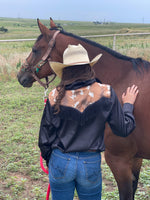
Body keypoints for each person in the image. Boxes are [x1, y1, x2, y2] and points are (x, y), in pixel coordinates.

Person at [38, 44, 139, 200]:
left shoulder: (54, 95)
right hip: (90, 162)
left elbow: (44, 139)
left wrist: (52, 161)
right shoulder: (106, 92)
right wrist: (128, 105)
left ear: (64, 71)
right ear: (89, 68)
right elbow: (123, 129)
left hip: (61, 160)